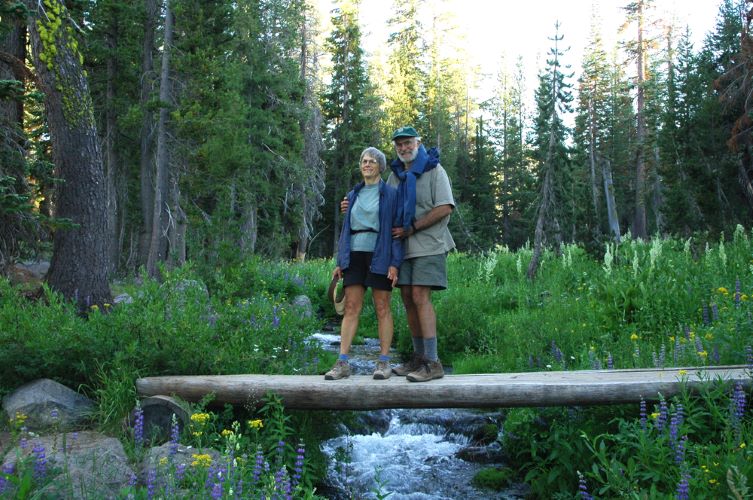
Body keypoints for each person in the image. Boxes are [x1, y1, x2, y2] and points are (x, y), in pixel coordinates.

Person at [325, 147, 404, 381]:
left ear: (380, 166)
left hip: (380, 253)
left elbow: (396, 230)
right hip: (355, 254)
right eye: (363, 161)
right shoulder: (353, 194)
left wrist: (395, 263)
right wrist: (341, 261)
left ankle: (383, 362)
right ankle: (342, 363)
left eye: (371, 161)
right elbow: (346, 229)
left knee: (382, 308)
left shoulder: (390, 194)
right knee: (351, 308)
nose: (366, 164)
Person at [387, 126, 455, 382]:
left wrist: (412, 227)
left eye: (407, 143)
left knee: (419, 295)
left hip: (429, 243)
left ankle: (433, 362)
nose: (404, 148)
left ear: (418, 143)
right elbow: (383, 202)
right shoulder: (395, 175)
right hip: (402, 247)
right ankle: (418, 358)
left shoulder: (435, 170)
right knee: (406, 297)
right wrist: (352, 201)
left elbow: (445, 207)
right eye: (399, 145)